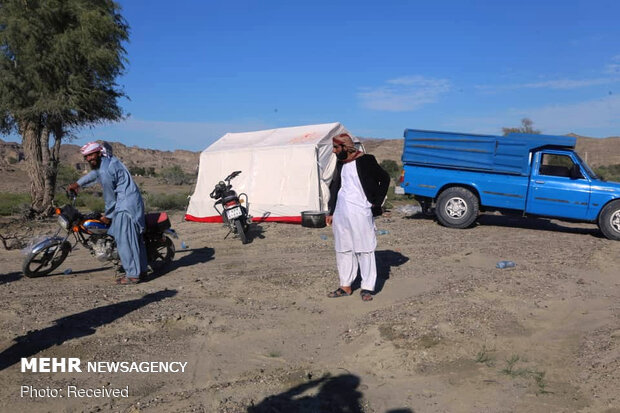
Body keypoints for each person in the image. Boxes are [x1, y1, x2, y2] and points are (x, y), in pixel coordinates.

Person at [67, 142, 147, 285]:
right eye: (86, 157)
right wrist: (78, 184)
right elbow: (94, 174)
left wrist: (107, 216)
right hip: (132, 202)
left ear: (98, 153)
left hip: (125, 206)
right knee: (134, 239)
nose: (89, 159)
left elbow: (110, 198)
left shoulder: (106, 170)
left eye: (91, 155)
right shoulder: (108, 162)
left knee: (125, 241)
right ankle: (141, 270)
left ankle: (133, 275)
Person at [326, 133, 390, 301]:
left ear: (345, 147)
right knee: (343, 249)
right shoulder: (341, 163)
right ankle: (345, 285)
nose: (333, 151)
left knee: (364, 249)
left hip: (360, 211)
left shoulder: (366, 160)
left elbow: (384, 178)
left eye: (336, 147)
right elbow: (336, 186)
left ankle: (367, 287)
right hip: (341, 213)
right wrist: (331, 211)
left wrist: (376, 202)